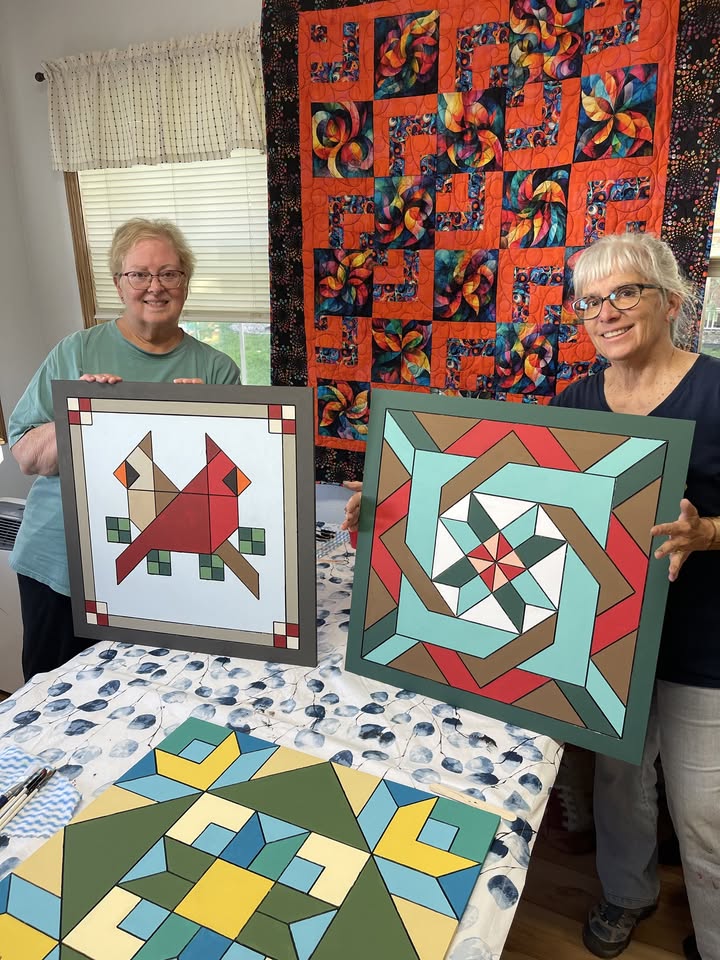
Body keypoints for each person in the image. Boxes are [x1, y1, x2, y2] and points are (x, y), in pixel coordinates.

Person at [342, 233, 720, 960]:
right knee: (618, 781)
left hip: (700, 641)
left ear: (670, 300)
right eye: (589, 301)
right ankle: (626, 894)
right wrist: (390, 502)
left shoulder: (717, 390)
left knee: (705, 810)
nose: (605, 312)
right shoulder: (577, 403)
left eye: (625, 292)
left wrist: (705, 531)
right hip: (603, 638)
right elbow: (497, 493)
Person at [8, 218, 241, 680]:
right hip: (63, 567)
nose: (155, 287)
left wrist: (204, 419)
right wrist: (80, 412)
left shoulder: (216, 370)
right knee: (52, 699)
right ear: (119, 283)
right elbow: (26, 457)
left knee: (148, 694)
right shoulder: (75, 352)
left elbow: (231, 486)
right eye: (139, 274)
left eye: (169, 274)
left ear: (185, 282)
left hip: (166, 566)